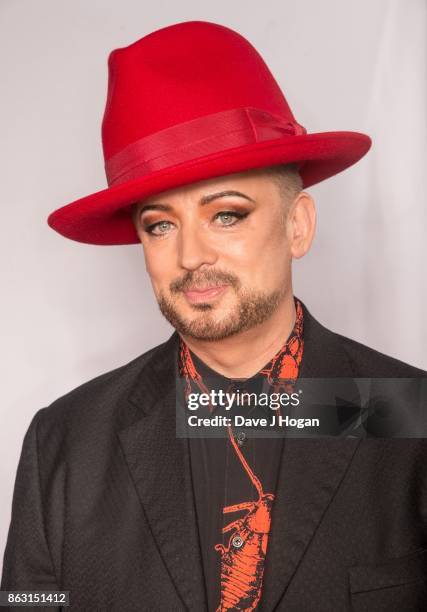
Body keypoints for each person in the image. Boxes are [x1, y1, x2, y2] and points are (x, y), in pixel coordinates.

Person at [2, 20, 426, 612]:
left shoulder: (410, 417)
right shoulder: (67, 443)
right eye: (160, 225)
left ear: (297, 225)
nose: (191, 255)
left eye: (226, 214)